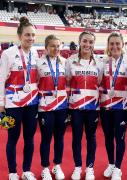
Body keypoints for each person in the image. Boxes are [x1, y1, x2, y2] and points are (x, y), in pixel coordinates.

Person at [0, 17, 39, 180]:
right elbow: (1, 79)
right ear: (19, 36)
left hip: (31, 103)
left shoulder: (36, 53)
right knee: (12, 138)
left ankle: (27, 170)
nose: (30, 38)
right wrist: (1, 103)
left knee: (29, 138)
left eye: (33, 35)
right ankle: (12, 172)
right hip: (12, 104)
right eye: (27, 35)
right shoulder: (8, 54)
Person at [66, 31, 104, 180]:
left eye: (90, 42)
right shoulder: (70, 61)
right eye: (85, 41)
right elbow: (68, 81)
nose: (87, 44)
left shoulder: (99, 63)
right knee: (76, 137)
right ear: (79, 42)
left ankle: (89, 168)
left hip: (93, 107)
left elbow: (100, 82)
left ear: (93, 44)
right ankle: (77, 167)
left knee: (91, 137)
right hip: (75, 107)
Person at [100, 32, 127, 180]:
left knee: (120, 138)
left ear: (123, 44)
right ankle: (111, 163)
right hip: (106, 106)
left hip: (122, 107)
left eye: (117, 43)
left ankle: (118, 168)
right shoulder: (103, 62)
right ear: (108, 45)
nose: (114, 46)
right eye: (111, 44)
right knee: (108, 137)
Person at [37, 35, 68, 180]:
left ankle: (57, 166)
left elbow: (69, 82)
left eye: (58, 46)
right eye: (52, 46)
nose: (56, 49)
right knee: (46, 138)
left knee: (60, 138)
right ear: (46, 47)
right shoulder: (38, 63)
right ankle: (45, 168)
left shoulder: (65, 63)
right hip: (45, 107)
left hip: (62, 106)